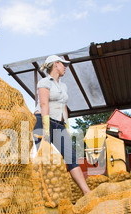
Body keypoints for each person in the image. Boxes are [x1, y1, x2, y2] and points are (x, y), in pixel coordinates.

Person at [33, 55, 91, 195]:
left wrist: (67, 127)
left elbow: (64, 107)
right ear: (55, 64)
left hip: (59, 124)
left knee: (71, 157)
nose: (65, 67)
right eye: (63, 64)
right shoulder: (44, 82)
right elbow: (44, 104)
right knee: (45, 160)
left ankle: (87, 192)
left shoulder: (63, 85)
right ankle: (45, 196)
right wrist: (46, 129)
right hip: (42, 121)